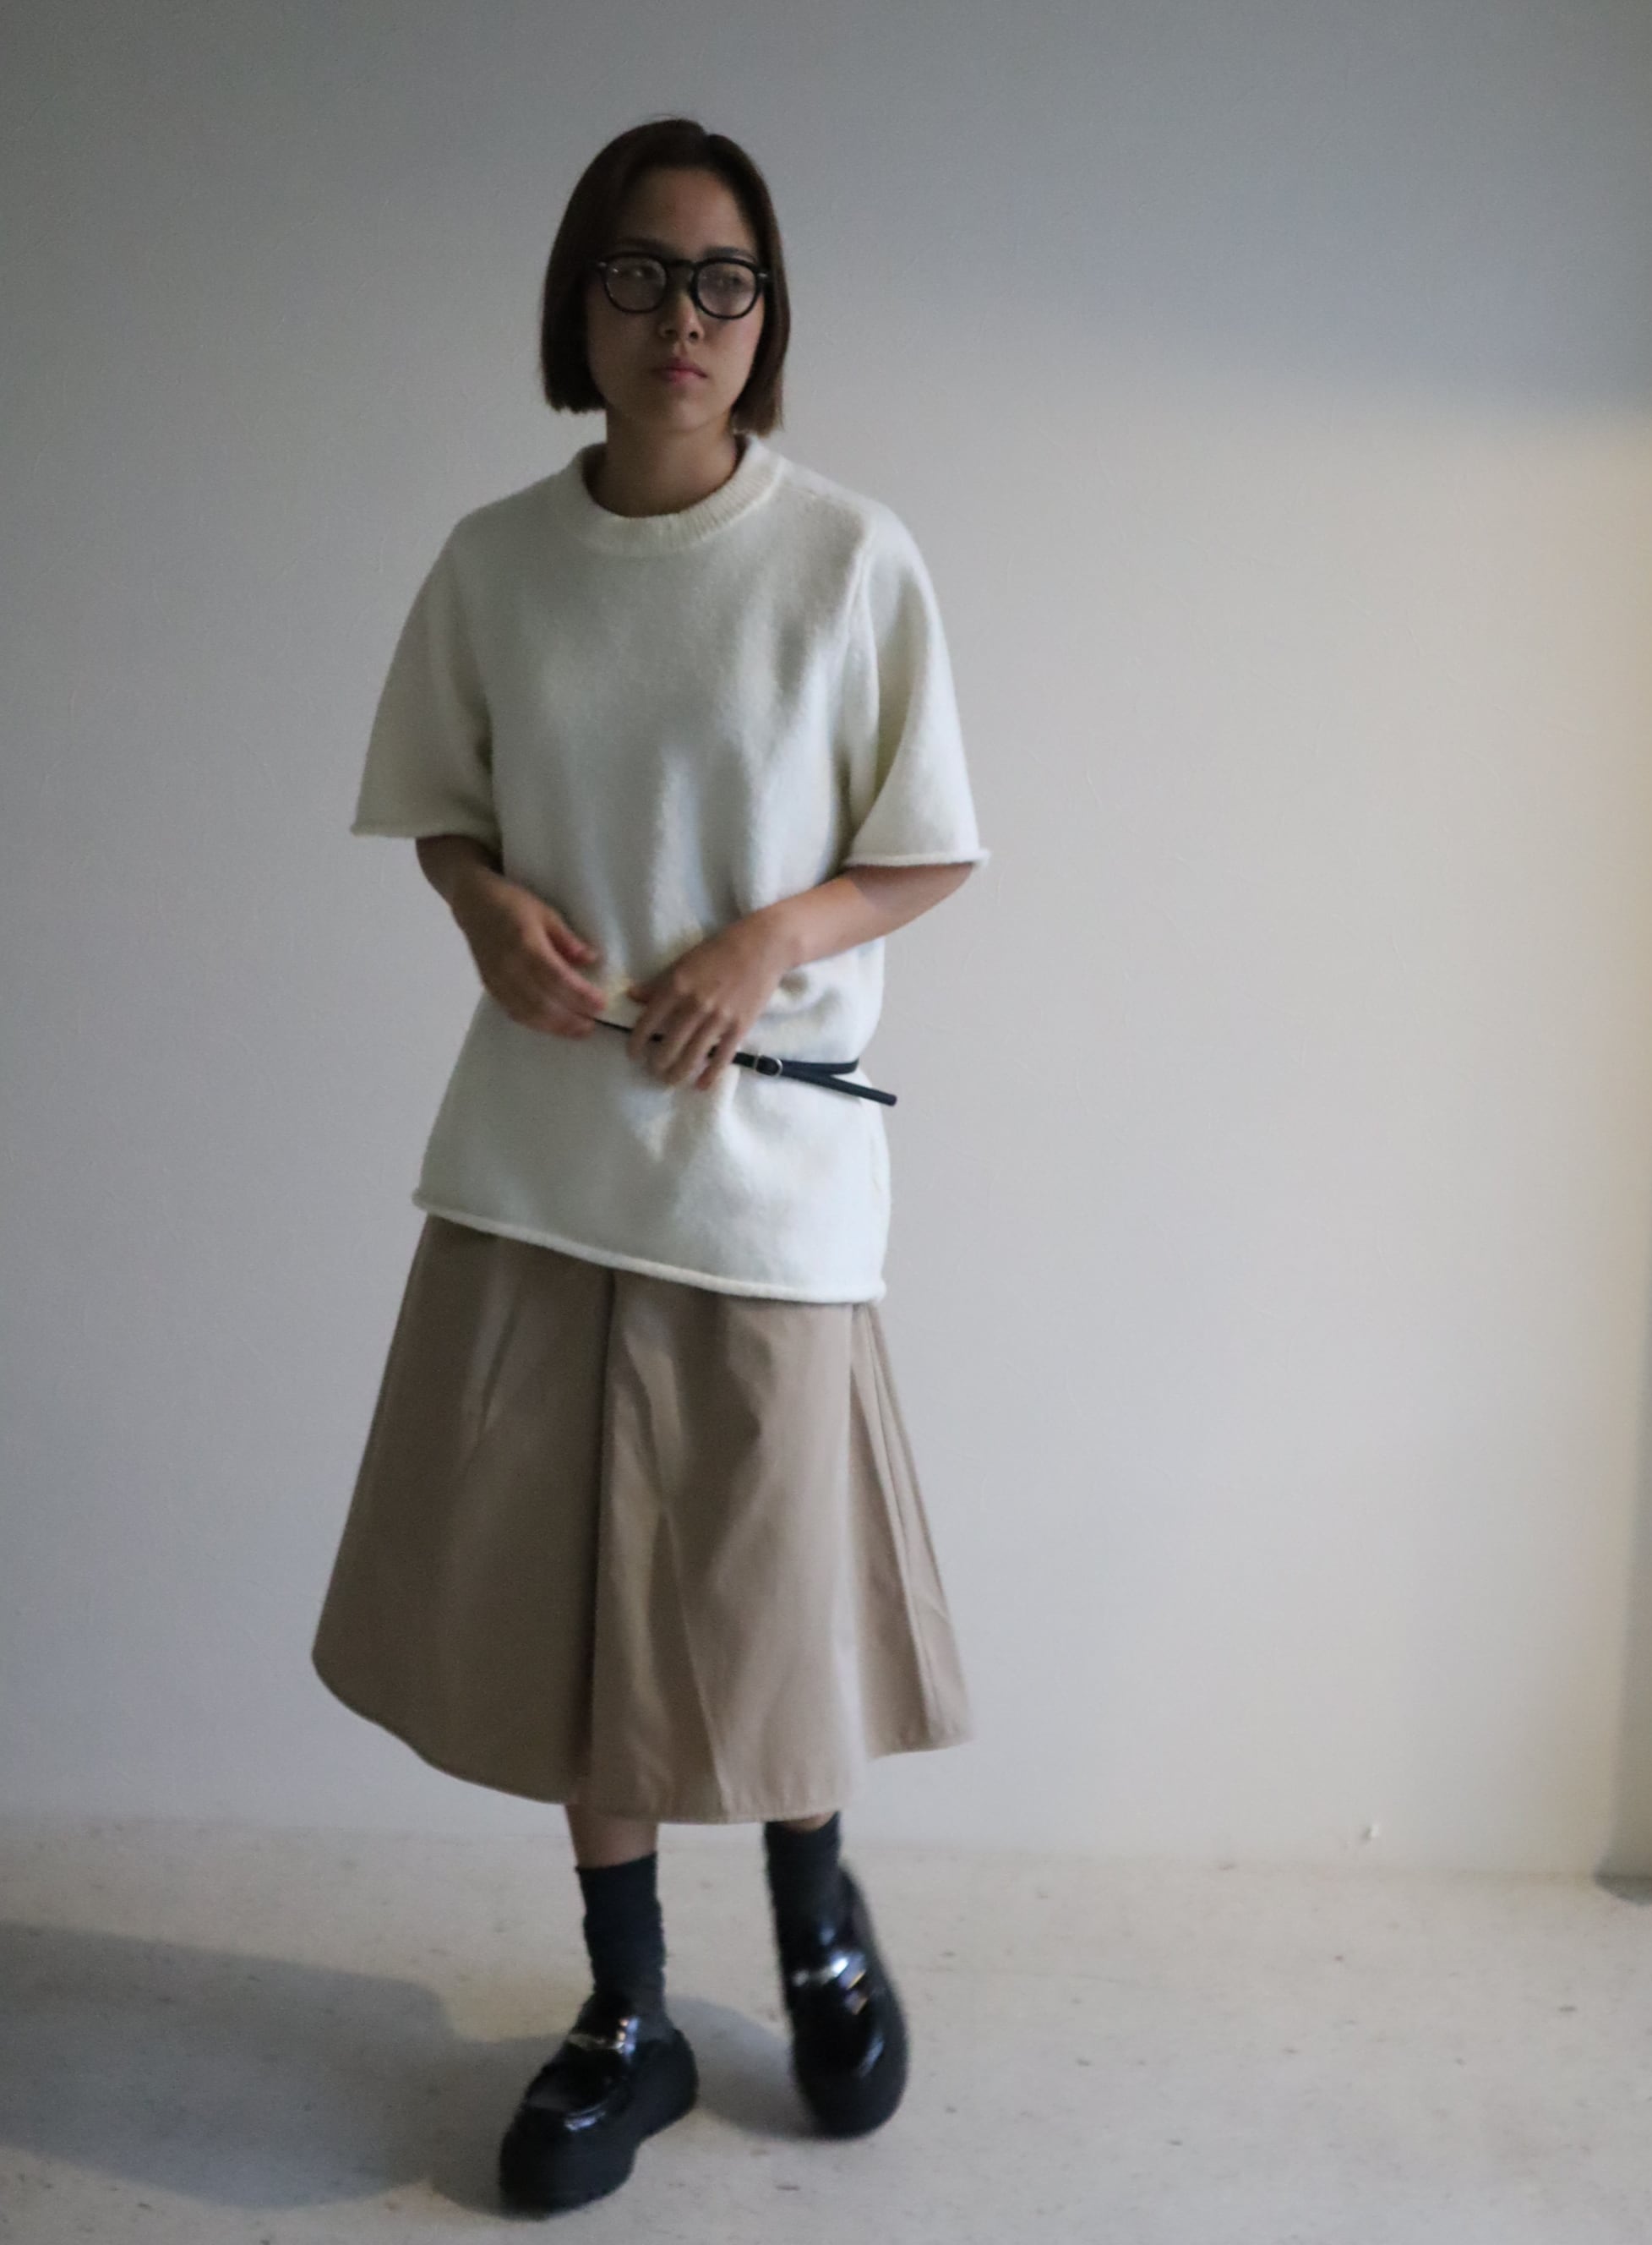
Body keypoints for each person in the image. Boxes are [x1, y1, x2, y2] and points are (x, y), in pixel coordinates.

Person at [310, 113, 990, 2216]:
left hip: (764, 1171)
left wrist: (769, 941)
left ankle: (814, 1918)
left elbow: (926, 843)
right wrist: (479, 905)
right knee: (573, 1616)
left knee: (765, 1598)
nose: (679, 315)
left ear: (765, 318)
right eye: (638, 271)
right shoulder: (496, 563)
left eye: (721, 279)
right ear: (577, 302)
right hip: (540, 1161)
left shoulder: (849, 560)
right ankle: (628, 2007)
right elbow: (443, 806)